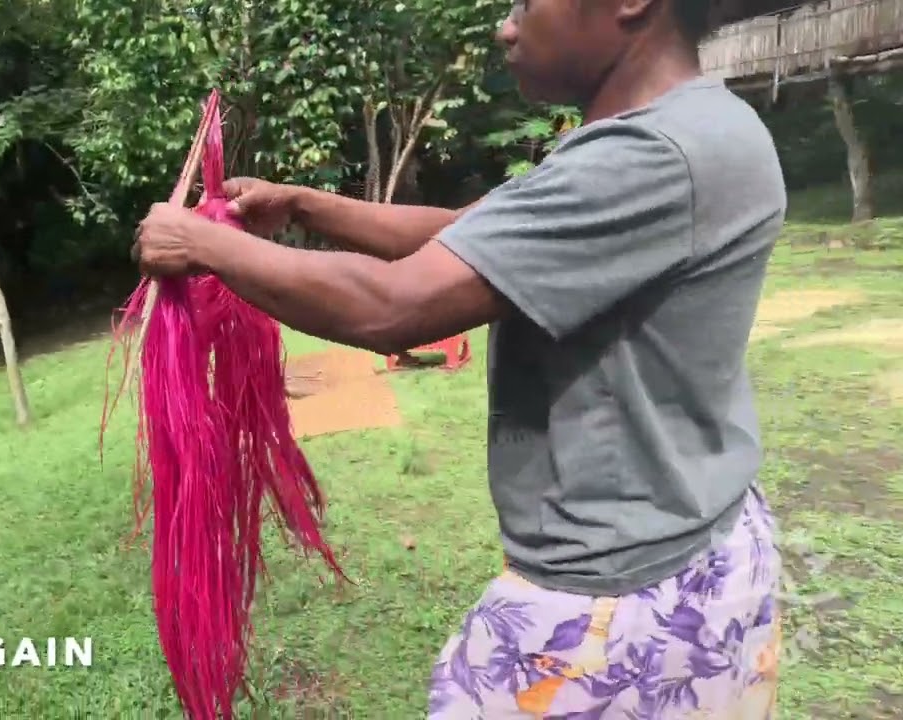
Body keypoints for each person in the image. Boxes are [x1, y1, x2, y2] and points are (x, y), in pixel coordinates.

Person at [134, 0, 786, 714]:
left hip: (619, 599)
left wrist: (204, 245)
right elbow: (466, 234)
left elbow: (393, 306)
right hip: (700, 538)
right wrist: (302, 205)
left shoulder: (649, 157)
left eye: (525, 3)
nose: (506, 26)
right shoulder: (693, 128)